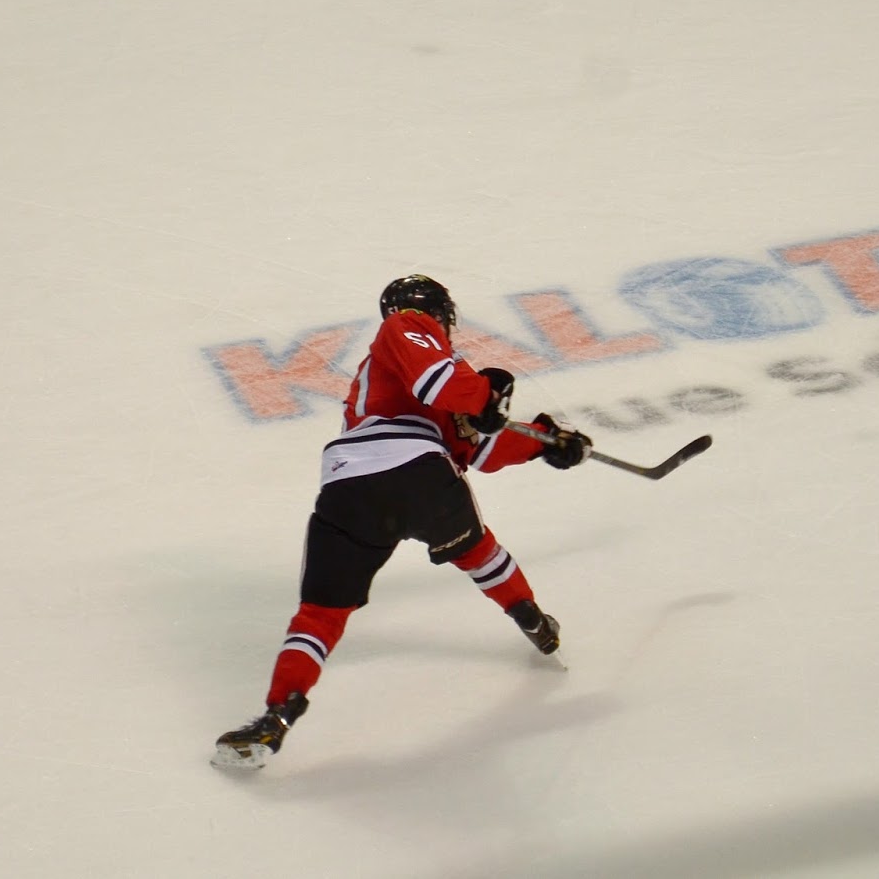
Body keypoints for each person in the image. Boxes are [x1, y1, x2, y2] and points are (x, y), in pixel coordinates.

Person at [212, 274, 594, 769]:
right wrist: (487, 397)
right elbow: (440, 384)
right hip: (417, 472)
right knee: (477, 550)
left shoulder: (423, 377)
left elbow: (478, 446)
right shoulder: (407, 326)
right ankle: (533, 619)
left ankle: (276, 717)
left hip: (349, 487)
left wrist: (545, 442)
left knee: (320, 615)